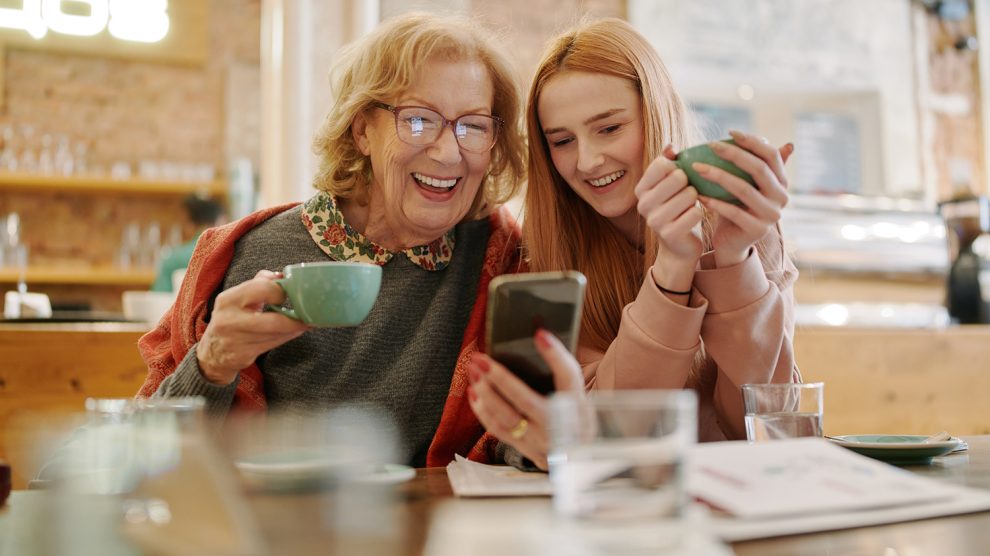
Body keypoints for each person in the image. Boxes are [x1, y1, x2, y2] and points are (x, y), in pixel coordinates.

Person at [135, 12, 526, 468]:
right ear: (363, 131)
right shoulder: (251, 253)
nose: (447, 151)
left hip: (446, 532)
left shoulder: (500, 257)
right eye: (418, 121)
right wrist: (213, 362)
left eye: (473, 126)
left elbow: (521, 435)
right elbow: (144, 454)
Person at [467, 18, 800, 469]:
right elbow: (604, 432)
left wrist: (734, 258)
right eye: (562, 141)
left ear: (656, 113)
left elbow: (764, 421)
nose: (586, 161)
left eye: (609, 129)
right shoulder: (547, 256)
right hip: (617, 506)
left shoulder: (743, 224)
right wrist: (672, 269)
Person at [151, 194, 226, 293]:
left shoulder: (174, 259)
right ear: (219, 221)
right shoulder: (227, 254)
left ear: (188, 221)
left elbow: (158, 297)